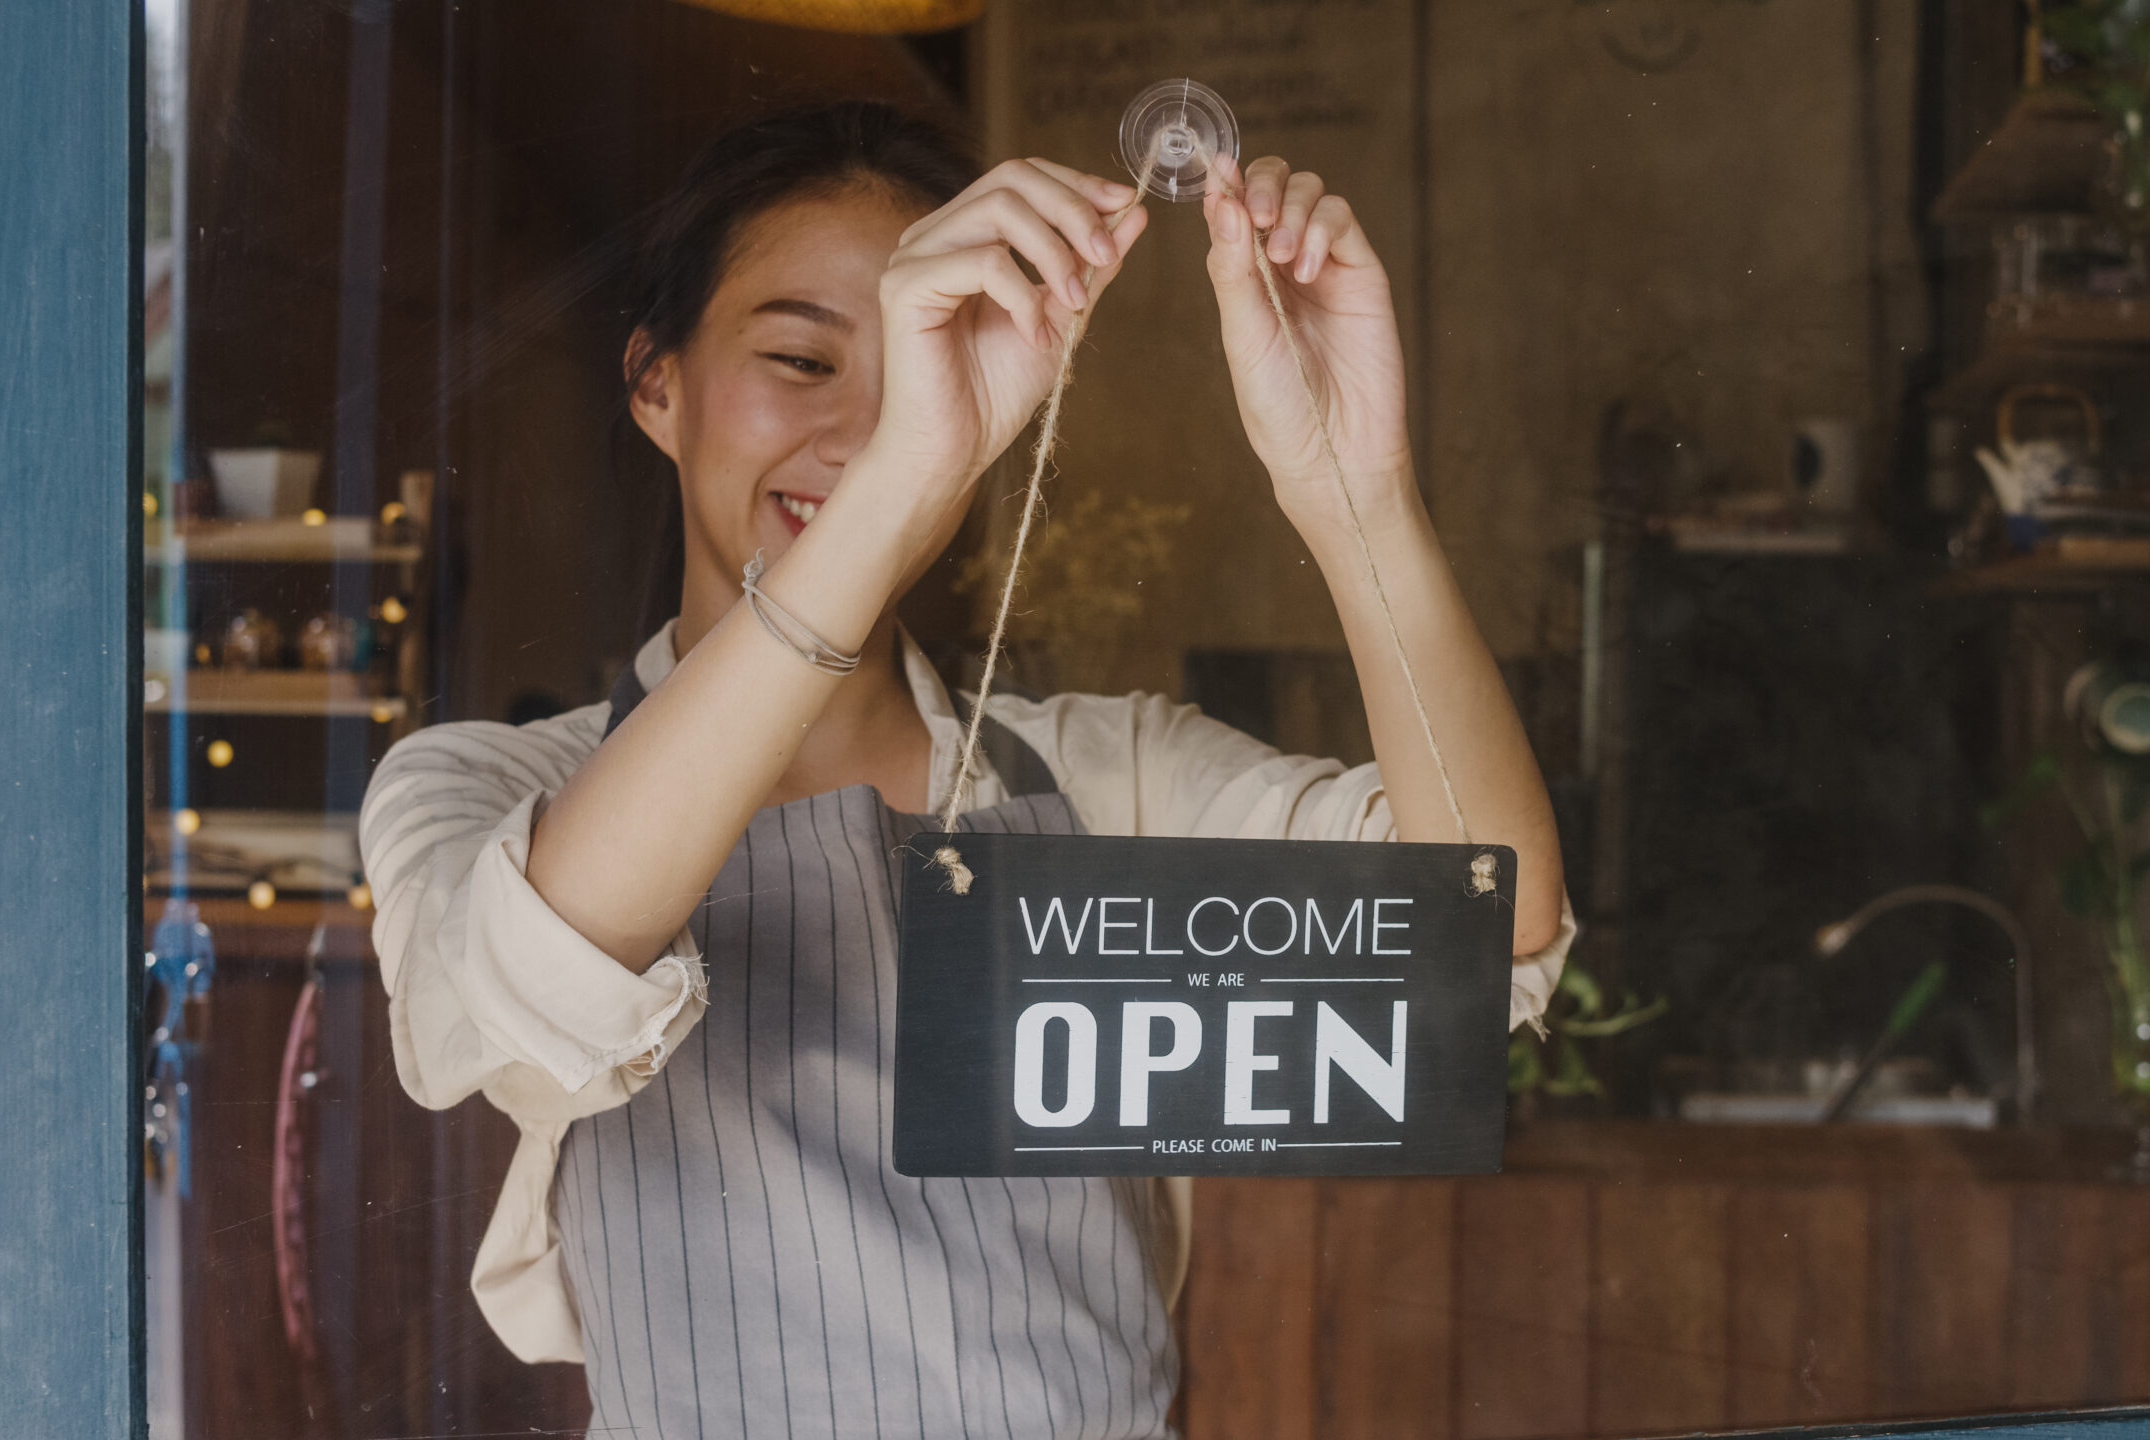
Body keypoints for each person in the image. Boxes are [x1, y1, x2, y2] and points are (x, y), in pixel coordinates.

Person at [361, 101, 1571, 1440]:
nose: (868, 423)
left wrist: (1357, 489)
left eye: (922, 366)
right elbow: (534, 974)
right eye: (804, 361)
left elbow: (1476, 938)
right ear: (657, 383)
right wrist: (895, 484)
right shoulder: (479, 790)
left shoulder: (1106, 779)